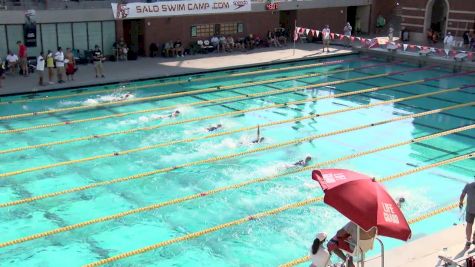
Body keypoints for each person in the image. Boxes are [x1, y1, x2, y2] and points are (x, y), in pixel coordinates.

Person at [459, 178, 475, 248]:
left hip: (469, 210)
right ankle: (473, 239)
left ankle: (468, 241)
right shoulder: (468, 185)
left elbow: (462, 195)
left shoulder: (468, 185)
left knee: (469, 225)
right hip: (469, 210)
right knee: (469, 225)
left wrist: (461, 202)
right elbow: (462, 195)